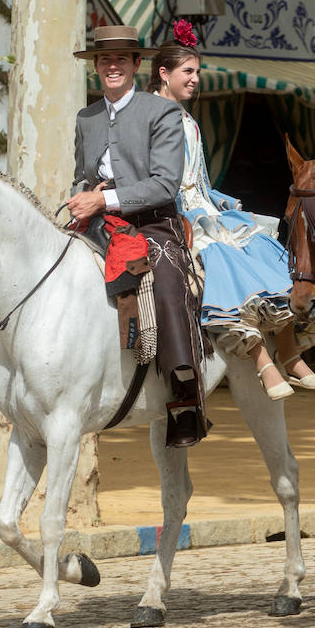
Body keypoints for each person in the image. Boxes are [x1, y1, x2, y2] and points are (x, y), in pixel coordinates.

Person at [150, 23, 315, 402]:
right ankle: (264, 362)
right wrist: (192, 206)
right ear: (163, 74)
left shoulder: (186, 118)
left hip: (203, 206)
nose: (196, 79)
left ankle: (291, 354)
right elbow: (165, 181)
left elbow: (196, 178)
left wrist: (219, 198)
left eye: (197, 72)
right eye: (188, 72)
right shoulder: (151, 116)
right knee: (225, 261)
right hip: (175, 213)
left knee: (270, 254)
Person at [68, 25, 207, 448]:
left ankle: (184, 395)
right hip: (95, 224)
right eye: (105, 59)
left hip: (152, 223)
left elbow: (166, 185)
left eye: (121, 60)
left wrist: (103, 200)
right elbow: (80, 175)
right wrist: (79, 198)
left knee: (166, 285)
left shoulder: (160, 112)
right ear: (95, 66)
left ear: (136, 65)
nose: (113, 66)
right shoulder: (85, 117)